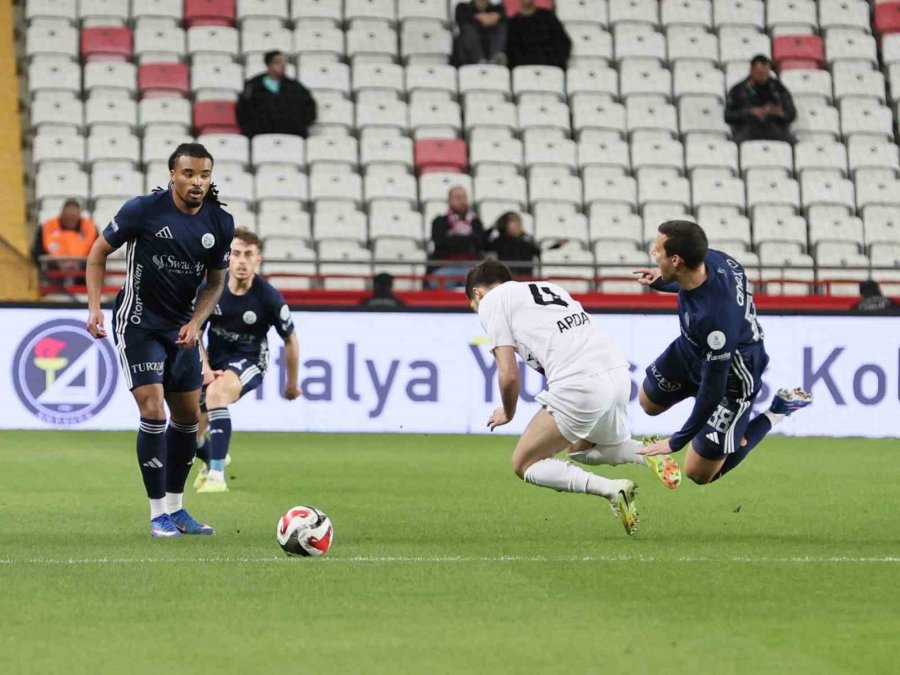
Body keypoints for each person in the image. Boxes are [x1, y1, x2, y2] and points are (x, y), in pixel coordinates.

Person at [466, 260, 682, 537]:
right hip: (617, 374)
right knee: (580, 450)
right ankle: (647, 453)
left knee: (524, 463)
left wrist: (508, 412)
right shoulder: (547, 289)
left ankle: (613, 489)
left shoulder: (491, 301)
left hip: (580, 383)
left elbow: (508, 376)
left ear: (477, 293)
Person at [85, 143, 235, 538]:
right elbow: (98, 253)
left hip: (181, 331)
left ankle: (176, 508)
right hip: (138, 325)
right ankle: (157, 515)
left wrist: (197, 322)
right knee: (153, 411)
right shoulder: (144, 210)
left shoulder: (220, 223)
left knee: (187, 419)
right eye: (189, 174)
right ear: (172, 175)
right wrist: (94, 308)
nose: (197, 182)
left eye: (204, 175)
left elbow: (216, 282)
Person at [634, 221, 812, 485]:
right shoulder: (714, 259)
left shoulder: (715, 320)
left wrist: (676, 441)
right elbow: (691, 283)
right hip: (693, 348)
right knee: (648, 403)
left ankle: (776, 412)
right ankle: (724, 428)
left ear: (676, 259)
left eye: (657, 251)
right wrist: (663, 279)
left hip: (733, 376)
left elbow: (713, 389)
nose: (653, 254)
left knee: (698, 473)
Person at [193, 228, 301, 493]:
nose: (241, 261)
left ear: (257, 260)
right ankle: (214, 456)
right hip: (214, 361)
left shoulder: (269, 297)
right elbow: (195, 332)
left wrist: (291, 384)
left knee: (217, 393)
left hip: (250, 360)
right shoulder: (211, 289)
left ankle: (216, 475)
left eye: (248, 255)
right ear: (228, 257)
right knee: (187, 431)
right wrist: (205, 368)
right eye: (237, 254)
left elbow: (290, 340)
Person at [236, 50, 317, 139]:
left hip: (291, 135)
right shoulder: (252, 85)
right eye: (278, 62)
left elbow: (309, 109)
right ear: (269, 65)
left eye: (284, 62)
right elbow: (243, 111)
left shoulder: (296, 87)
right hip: (260, 136)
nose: (283, 65)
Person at [724, 54, 796, 144]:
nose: (764, 77)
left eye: (766, 74)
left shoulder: (778, 89)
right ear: (751, 71)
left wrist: (779, 113)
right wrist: (751, 112)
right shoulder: (738, 90)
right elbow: (728, 116)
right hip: (747, 133)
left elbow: (792, 114)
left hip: (775, 132)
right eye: (760, 73)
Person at [428, 185, 486, 288]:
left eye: (464, 197)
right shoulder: (439, 221)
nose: (462, 201)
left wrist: (453, 238)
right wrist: (468, 240)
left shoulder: (476, 222)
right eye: (458, 198)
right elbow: (440, 242)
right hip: (445, 267)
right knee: (437, 282)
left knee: (482, 283)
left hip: (471, 267)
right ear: (449, 201)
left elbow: (481, 243)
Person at [32, 199, 98, 285]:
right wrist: (58, 263)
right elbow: (37, 254)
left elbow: (99, 253)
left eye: (73, 218)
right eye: (67, 218)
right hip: (54, 275)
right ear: (62, 215)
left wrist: (78, 264)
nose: (70, 221)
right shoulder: (45, 228)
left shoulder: (91, 229)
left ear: (79, 216)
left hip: (82, 275)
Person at [485, 211, 566, 278]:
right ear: (504, 224)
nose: (517, 224)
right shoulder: (498, 242)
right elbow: (483, 245)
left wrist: (556, 245)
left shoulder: (527, 241)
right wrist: (492, 228)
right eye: (512, 221)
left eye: (518, 221)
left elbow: (538, 251)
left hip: (525, 279)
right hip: (506, 279)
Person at [505, 0, 571, 70]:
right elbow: (511, 53)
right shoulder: (513, 23)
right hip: (524, 71)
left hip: (551, 69)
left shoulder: (548, 17)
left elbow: (564, 43)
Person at [455, 0, 507, 66]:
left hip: (491, 45)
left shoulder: (498, 8)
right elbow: (462, 21)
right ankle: (480, 60)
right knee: (469, 29)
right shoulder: (463, 7)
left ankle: (494, 59)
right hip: (469, 52)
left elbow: (502, 19)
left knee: (501, 27)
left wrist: (479, 18)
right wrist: (486, 18)